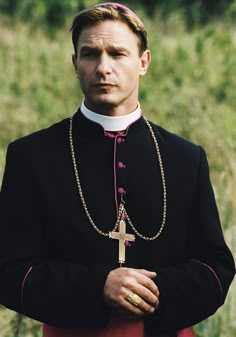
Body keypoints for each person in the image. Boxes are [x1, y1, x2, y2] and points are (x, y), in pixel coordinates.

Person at [0, 3, 235, 337]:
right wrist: (98, 286)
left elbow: (215, 266)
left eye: (117, 53)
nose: (103, 67)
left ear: (143, 63)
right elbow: (10, 270)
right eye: (90, 54)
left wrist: (151, 293)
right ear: (75, 64)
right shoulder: (32, 156)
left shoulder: (186, 158)